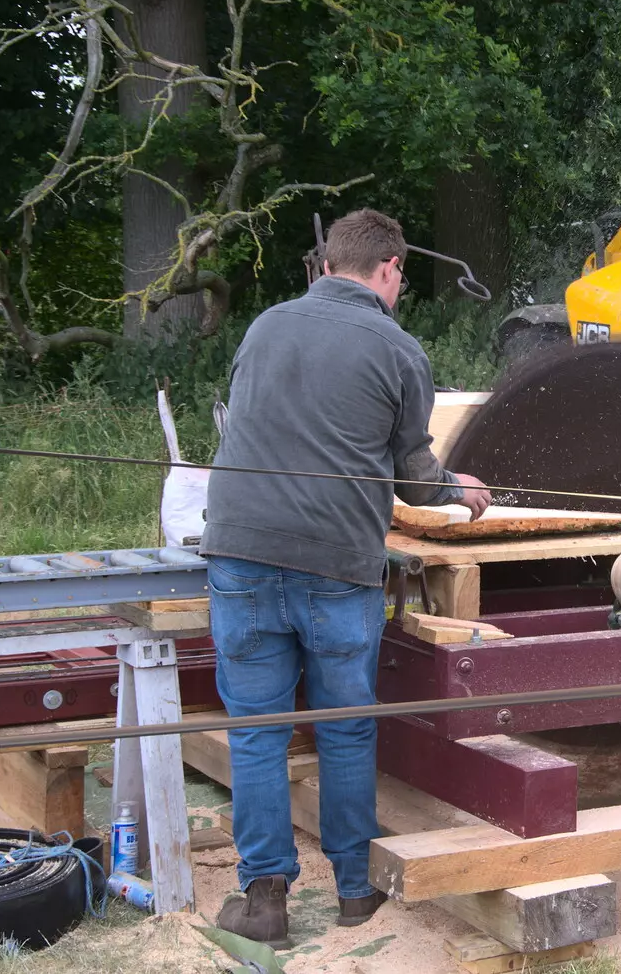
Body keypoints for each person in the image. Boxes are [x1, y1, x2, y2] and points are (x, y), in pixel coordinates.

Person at [200, 209, 492, 946]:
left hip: (240, 555)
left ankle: (264, 898)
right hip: (336, 566)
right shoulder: (397, 349)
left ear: (326, 265)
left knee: (259, 732)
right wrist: (462, 489)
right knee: (344, 730)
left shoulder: (265, 326)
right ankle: (356, 892)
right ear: (390, 268)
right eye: (399, 277)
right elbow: (418, 486)